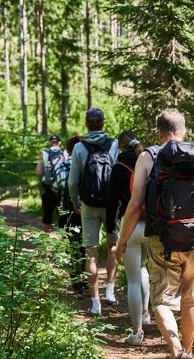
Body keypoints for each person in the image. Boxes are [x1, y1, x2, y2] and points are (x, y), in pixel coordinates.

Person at [115, 108, 194, 359]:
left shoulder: (148, 157)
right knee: (191, 301)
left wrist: (123, 241)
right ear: (184, 131)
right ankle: (188, 352)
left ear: (159, 132)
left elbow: (135, 204)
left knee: (161, 301)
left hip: (161, 239)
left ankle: (176, 353)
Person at [68, 108, 120, 316]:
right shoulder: (114, 144)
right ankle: (110, 291)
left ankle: (95, 302)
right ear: (103, 123)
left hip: (88, 205)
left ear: (87, 124)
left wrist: (75, 202)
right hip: (110, 205)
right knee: (113, 246)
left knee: (91, 253)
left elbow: (72, 181)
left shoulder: (79, 147)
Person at [106, 131, 151, 345]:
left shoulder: (118, 168)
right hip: (152, 226)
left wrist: (110, 230)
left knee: (133, 279)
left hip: (129, 226)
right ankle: (147, 313)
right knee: (145, 270)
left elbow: (112, 202)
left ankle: (136, 333)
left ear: (121, 147)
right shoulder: (149, 160)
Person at [58, 135, 87, 296]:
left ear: (69, 149)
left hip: (68, 210)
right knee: (84, 245)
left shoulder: (64, 163)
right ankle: (84, 280)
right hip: (86, 208)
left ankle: (77, 285)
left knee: (71, 245)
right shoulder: (86, 163)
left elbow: (58, 185)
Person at [35, 135, 68, 232]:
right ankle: (64, 241)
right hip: (62, 187)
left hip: (48, 187)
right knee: (63, 213)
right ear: (59, 143)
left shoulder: (44, 153)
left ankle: (46, 240)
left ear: (50, 143)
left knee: (47, 213)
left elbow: (39, 172)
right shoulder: (65, 152)